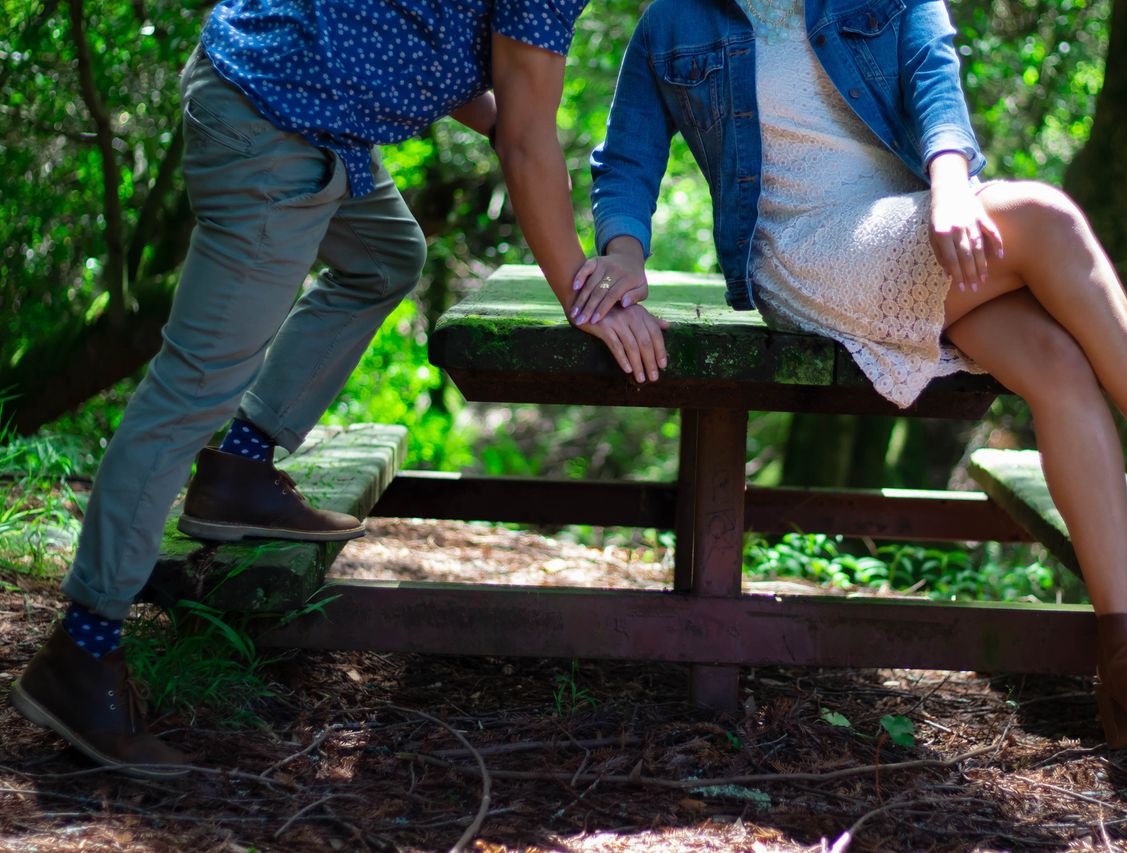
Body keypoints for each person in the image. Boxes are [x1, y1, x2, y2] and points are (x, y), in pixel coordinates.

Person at [576, 0, 1127, 748]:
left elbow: (932, 78)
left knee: (1057, 363)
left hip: (917, 218)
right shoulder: (673, 23)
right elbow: (626, 160)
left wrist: (950, 186)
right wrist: (623, 251)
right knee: (1045, 215)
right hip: (800, 248)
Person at [9, 0, 674, 777]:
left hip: (297, 100)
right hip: (273, 118)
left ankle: (239, 472)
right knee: (190, 389)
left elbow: (435, 42)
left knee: (386, 254)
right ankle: (80, 653)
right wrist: (581, 296)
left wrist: (504, 121)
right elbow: (529, 139)